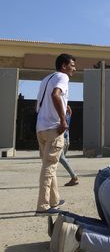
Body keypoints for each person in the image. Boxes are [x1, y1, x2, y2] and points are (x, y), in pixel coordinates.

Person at [35, 53, 76, 216]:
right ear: (64, 66)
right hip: (54, 128)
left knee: (50, 166)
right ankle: (43, 206)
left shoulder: (46, 79)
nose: (74, 68)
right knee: (49, 167)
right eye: (72, 65)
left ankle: (54, 200)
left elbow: (38, 105)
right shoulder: (63, 77)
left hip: (41, 128)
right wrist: (63, 120)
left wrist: (64, 106)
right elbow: (56, 95)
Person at [59, 105, 79, 186]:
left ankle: (74, 176)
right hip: (67, 138)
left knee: (61, 158)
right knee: (62, 158)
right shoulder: (68, 114)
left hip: (62, 137)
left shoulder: (62, 115)